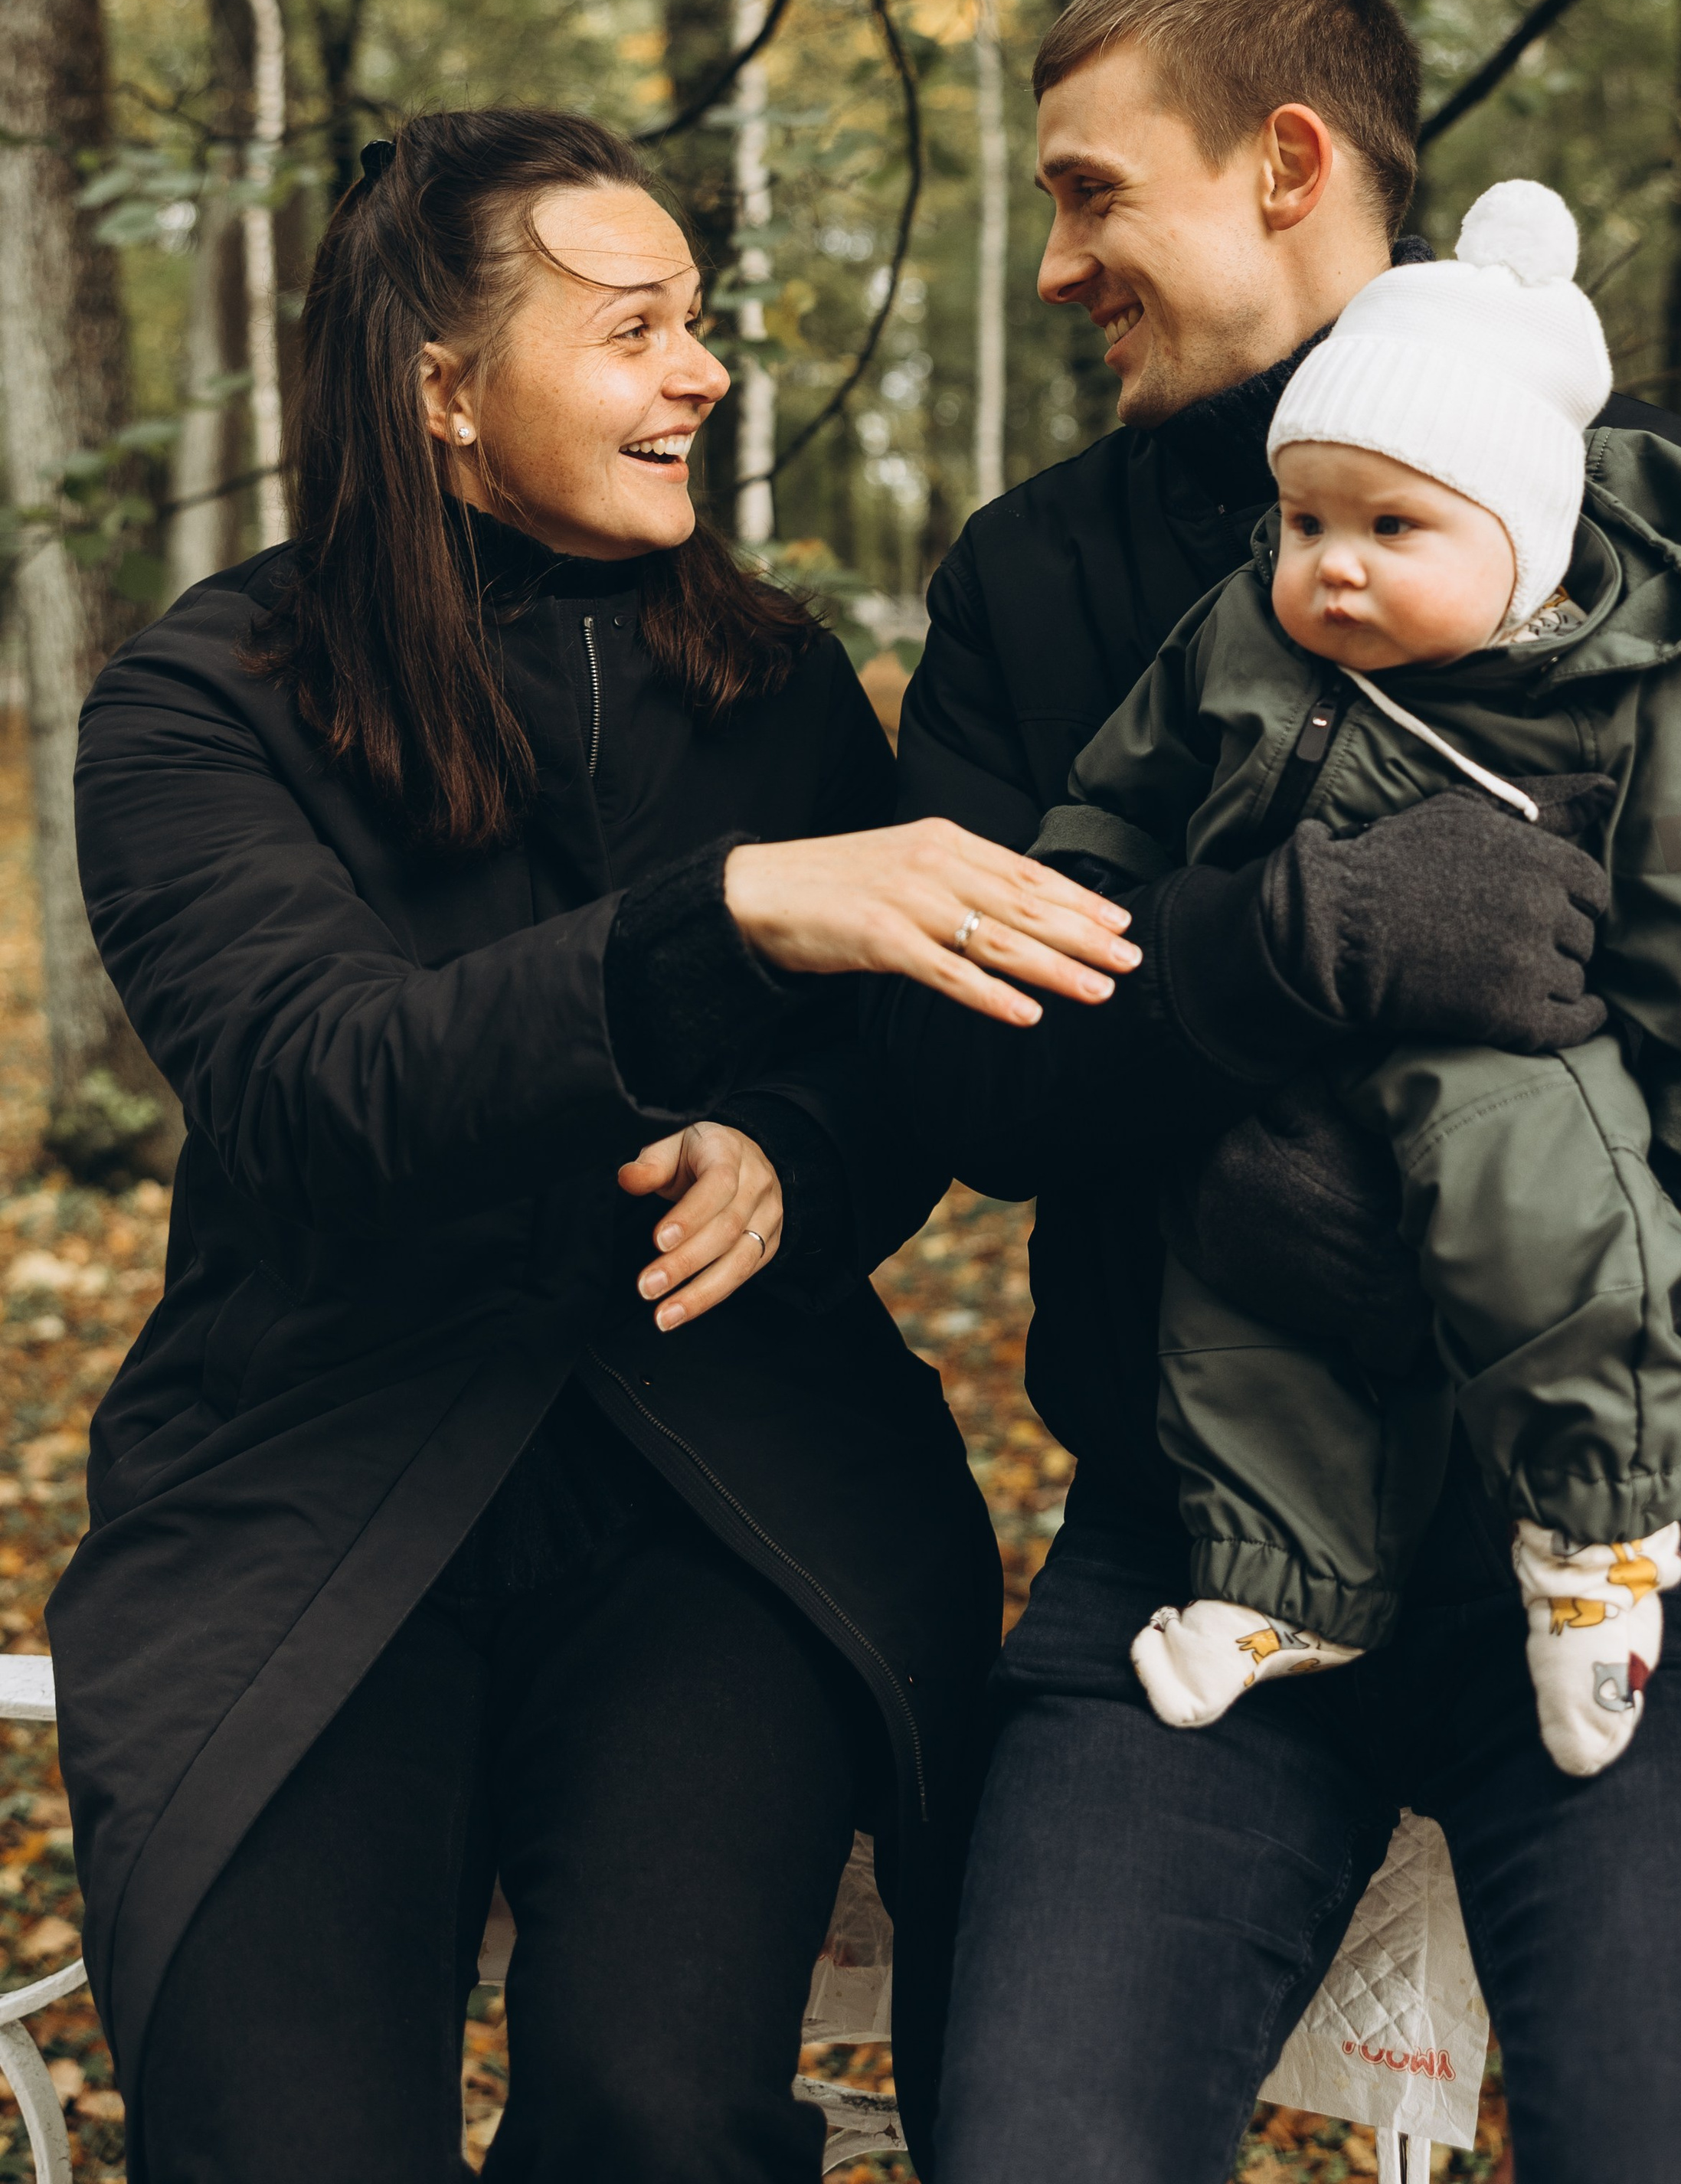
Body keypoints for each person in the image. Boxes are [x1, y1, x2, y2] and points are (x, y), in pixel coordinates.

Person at [872, 0, 1681, 2183]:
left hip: (1631, 1529)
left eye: (1091, 194)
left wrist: (1535, 1285)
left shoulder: (1677, 547)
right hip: (1190, 1533)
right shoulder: (1036, 585)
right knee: (1038, 2142)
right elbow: (973, 1090)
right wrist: (1269, 955)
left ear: (1286, 163)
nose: (1057, 264)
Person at [51, 107, 1144, 2184]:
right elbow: (315, 1084)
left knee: (657, 2111)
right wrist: (716, 918)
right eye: (636, 329)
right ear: (442, 391)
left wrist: (790, 1159)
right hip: (319, 1475)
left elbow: (892, 1070)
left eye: (698, 324)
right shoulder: (207, 698)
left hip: (723, 1501)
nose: (703, 374)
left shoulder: (771, 680)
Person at [1027, 176, 1681, 1769]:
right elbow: (1127, 781)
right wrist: (1086, 880)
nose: (1332, 566)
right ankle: (1287, 1577)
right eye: (1305, 524)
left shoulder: (1629, 693)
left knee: (1547, 1231)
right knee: (1234, 1300)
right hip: (1286, 1057)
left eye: (1392, 529)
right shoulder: (1239, 638)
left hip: (1516, 1044)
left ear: (1522, 540)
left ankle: (1597, 1537)